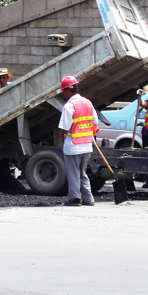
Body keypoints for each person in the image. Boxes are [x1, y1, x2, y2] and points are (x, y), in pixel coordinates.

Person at [58, 75, 97, 206]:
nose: (64, 94)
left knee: (73, 173)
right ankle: (88, 198)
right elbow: (95, 123)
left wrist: (62, 136)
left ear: (68, 90)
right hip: (86, 145)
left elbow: (64, 128)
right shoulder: (88, 102)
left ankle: (74, 198)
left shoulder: (69, 105)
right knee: (82, 173)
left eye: (63, 91)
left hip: (73, 145)